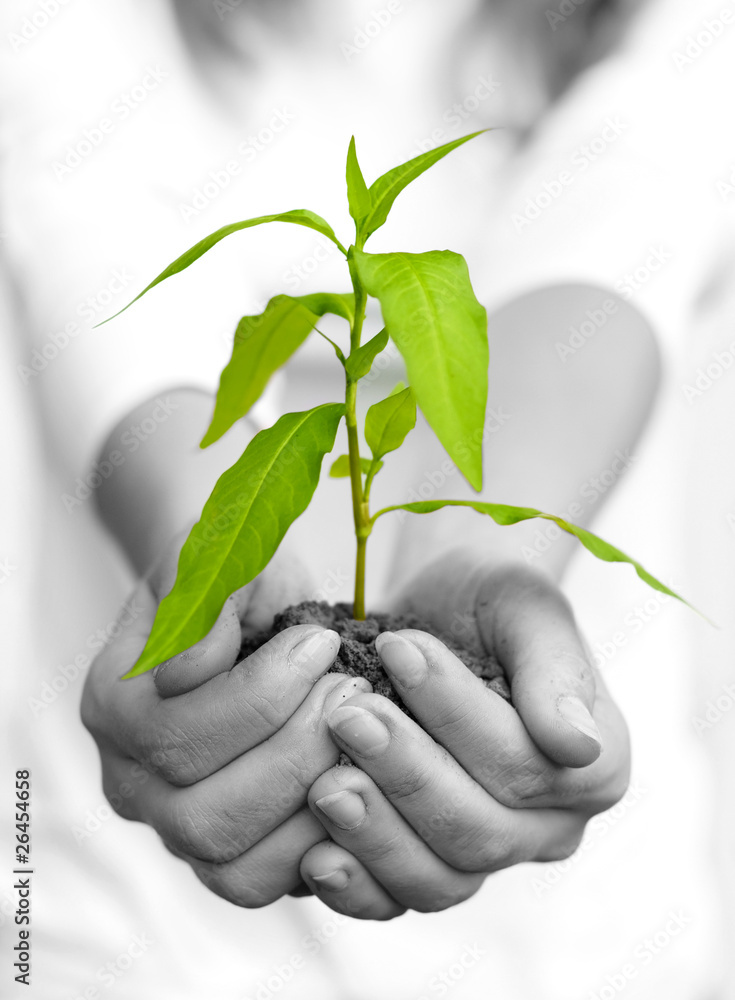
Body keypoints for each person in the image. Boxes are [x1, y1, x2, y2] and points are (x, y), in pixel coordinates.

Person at [1, 0, 731, 995]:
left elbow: (628, 198)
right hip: (128, 936)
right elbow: (94, 215)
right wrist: (210, 547)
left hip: (579, 949)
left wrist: (478, 537)